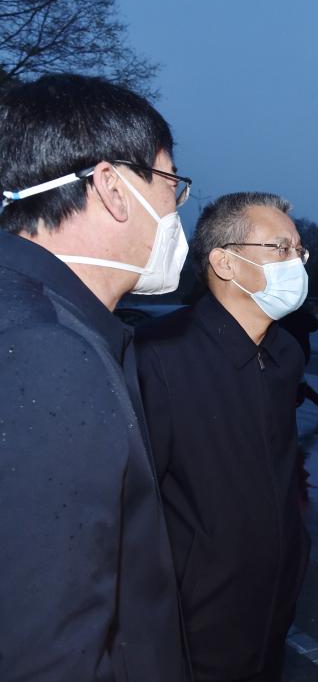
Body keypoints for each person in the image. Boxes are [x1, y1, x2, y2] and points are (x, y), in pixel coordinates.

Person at [0, 74, 190, 680]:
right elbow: (48, 651)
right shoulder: (44, 351)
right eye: (171, 185)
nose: (177, 210)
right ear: (112, 187)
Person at [136, 192, 311, 682]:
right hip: (195, 618)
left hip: (275, 600)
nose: (296, 262)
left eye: (299, 250)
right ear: (225, 262)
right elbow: (132, 502)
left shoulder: (286, 353)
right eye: (280, 248)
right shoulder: (158, 356)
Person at [279, 302, 318, 417]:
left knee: (290, 380)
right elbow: (316, 325)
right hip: (301, 350)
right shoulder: (299, 311)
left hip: (291, 351)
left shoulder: (286, 313)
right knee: (293, 379)